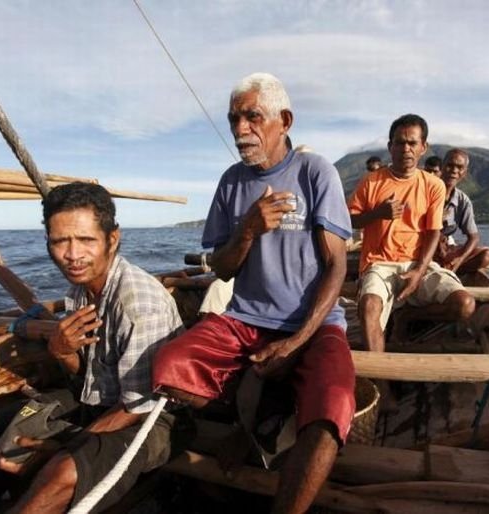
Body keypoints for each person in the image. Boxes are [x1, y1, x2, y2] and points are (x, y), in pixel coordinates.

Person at [152, 72, 355, 514]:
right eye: (234, 119)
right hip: (246, 320)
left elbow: (337, 264)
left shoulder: (315, 171)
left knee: (331, 414)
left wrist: (297, 340)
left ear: (283, 120)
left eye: (252, 116)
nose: (241, 129)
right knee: (167, 367)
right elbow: (223, 269)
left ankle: (259, 419)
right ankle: (257, 417)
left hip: (313, 326)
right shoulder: (231, 182)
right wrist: (248, 227)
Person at [0, 183, 189, 513]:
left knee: (64, 468)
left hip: (156, 418)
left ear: (113, 239)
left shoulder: (139, 304)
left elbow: (137, 407)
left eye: (85, 240)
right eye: (60, 241)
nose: (72, 254)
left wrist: (60, 446)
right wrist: (63, 350)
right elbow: (87, 377)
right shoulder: (82, 290)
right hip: (97, 402)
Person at [347, 114, 475, 353]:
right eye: (400, 142)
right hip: (379, 264)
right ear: (390, 147)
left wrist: (419, 271)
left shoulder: (433, 185)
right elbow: (349, 219)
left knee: (465, 305)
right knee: (369, 307)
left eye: (412, 143)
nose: (406, 148)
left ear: (423, 147)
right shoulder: (371, 182)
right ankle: (380, 377)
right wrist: (378, 213)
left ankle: (408, 315)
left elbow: (432, 233)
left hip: (418, 263)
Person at [436, 148, 489, 273]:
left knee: (487, 256)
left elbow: (474, 237)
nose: (454, 171)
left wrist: (459, 259)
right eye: (450, 165)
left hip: (444, 252)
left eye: (459, 167)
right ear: (442, 166)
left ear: (465, 172)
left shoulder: (463, 200)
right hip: (422, 249)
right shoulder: (426, 191)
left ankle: (451, 269)